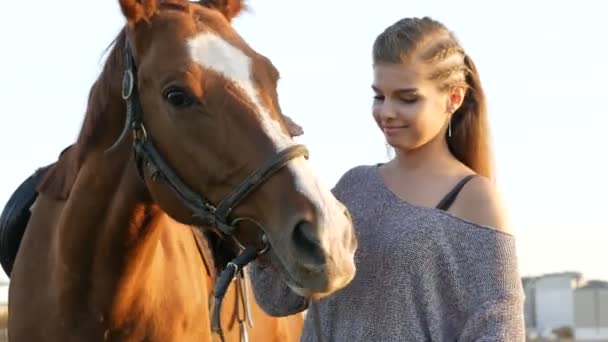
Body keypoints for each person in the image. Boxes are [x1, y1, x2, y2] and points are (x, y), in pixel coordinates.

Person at [248, 16, 525, 341]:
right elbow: (279, 298)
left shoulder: (475, 198)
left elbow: (499, 332)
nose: (387, 112)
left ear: (454, 98)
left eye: (407, 98)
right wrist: (265, 160)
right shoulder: (353, 186)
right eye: (379, 96)